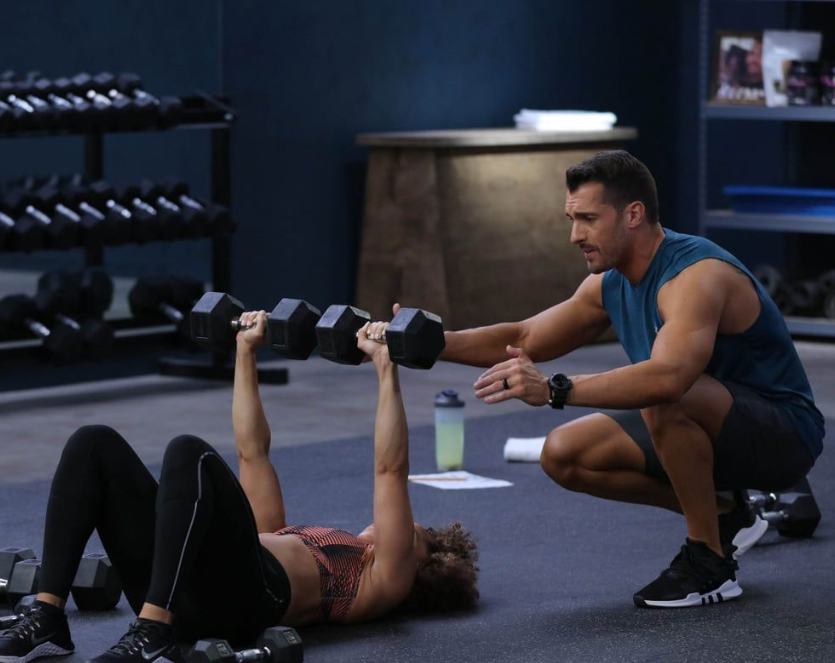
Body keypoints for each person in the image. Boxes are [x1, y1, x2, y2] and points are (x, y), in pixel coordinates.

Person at [400, 149, 823, 608]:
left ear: (633, 215)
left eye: (587, 219)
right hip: (706, 423)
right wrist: (427, 341)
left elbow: (669, 378)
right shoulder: (611, 282)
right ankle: (728, 516)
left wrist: (554, 389)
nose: (574, 235)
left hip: (783, 436)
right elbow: (524, 336)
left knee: (664, 395)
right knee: (563, 454)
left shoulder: (695, 276)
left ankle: (710, 565)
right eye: (571, 219)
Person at [0, 315, 478, 663]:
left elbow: (389, 469)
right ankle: (48, 615)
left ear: (422, 563)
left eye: (412, 532)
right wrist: (246, 351)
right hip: (194, 578)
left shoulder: (385, 578)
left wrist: (386, 370)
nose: (392, 524)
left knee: (190, 451)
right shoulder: (299, 537)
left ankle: (152, 628)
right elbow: (253, 454)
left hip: (240, 604)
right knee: (93, 443)